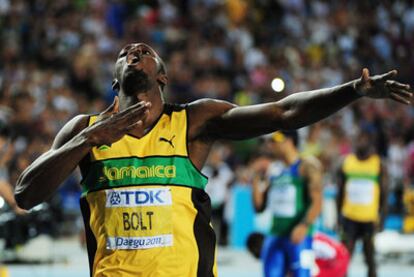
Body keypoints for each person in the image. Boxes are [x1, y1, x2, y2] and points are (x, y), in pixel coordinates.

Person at [14, 42, 411, 277]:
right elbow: (26, 194)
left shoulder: (193, 122)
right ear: (115, 81)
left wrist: (352, 91)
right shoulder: (84, 130)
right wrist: (90, 139)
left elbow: (284, 112)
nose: (133, 50)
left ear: (163, 78)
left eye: (145, 52)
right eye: (124, 53)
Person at [251, 131, 323, 277]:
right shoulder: (275, 170)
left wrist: (303, 226)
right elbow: (259, 207)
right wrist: (256, 176)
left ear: (289, 141)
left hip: (299, 238)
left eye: (275, 140)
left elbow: (317, 202)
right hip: (275, 235)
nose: (270, 145)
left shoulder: (307, 166)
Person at [337, 130, 388, 277]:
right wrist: (338, 218)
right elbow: (339, 194)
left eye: (365, 139)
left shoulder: (379, 164)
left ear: (371, 143)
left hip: (369, 220)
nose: (361, 142)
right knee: (344, 258)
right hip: (349, 218)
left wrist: (382, 219)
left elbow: (384, 195)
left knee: (370, 259)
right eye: (359, 139)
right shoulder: (346, 162)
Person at [246, 232, 349, 277]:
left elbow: (334, 252)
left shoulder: (288, 244)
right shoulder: (278, 241)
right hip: (333, 256)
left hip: (335, 259)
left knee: (299, 269)